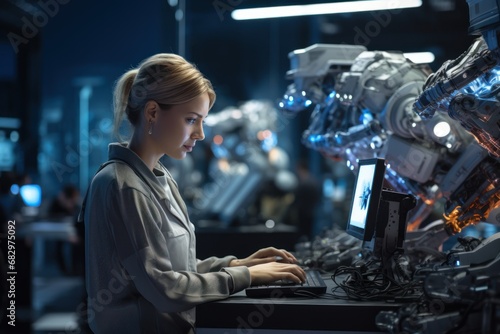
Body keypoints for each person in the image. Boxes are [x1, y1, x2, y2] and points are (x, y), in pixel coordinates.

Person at [80, 53, 306, 334]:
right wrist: (244, 276)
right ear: (152, 112)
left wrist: (236, 264)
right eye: (191, 119)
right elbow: (164, 288)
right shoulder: (123, 185)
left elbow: (176, 267)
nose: (200, 133)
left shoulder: (159, 177)